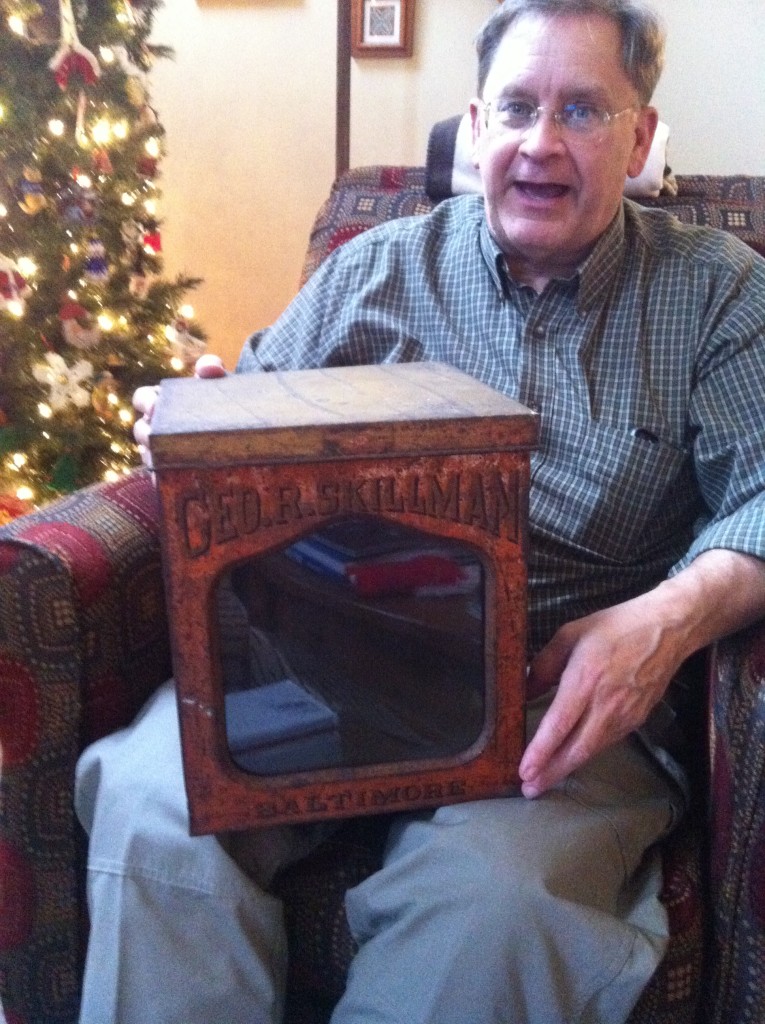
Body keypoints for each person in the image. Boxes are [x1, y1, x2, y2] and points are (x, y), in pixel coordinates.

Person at [75, 1, 765, 1022]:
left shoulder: (719, 294)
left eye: (582, 110)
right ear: (476, 127)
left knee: (493, 907)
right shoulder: (372, 268)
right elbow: (243, 424)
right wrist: (200, 429)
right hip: (323, 663)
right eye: (518, 107)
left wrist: (661, 621)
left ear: (640, 139)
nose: (541, 142)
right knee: (150, 811)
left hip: (557, 703)